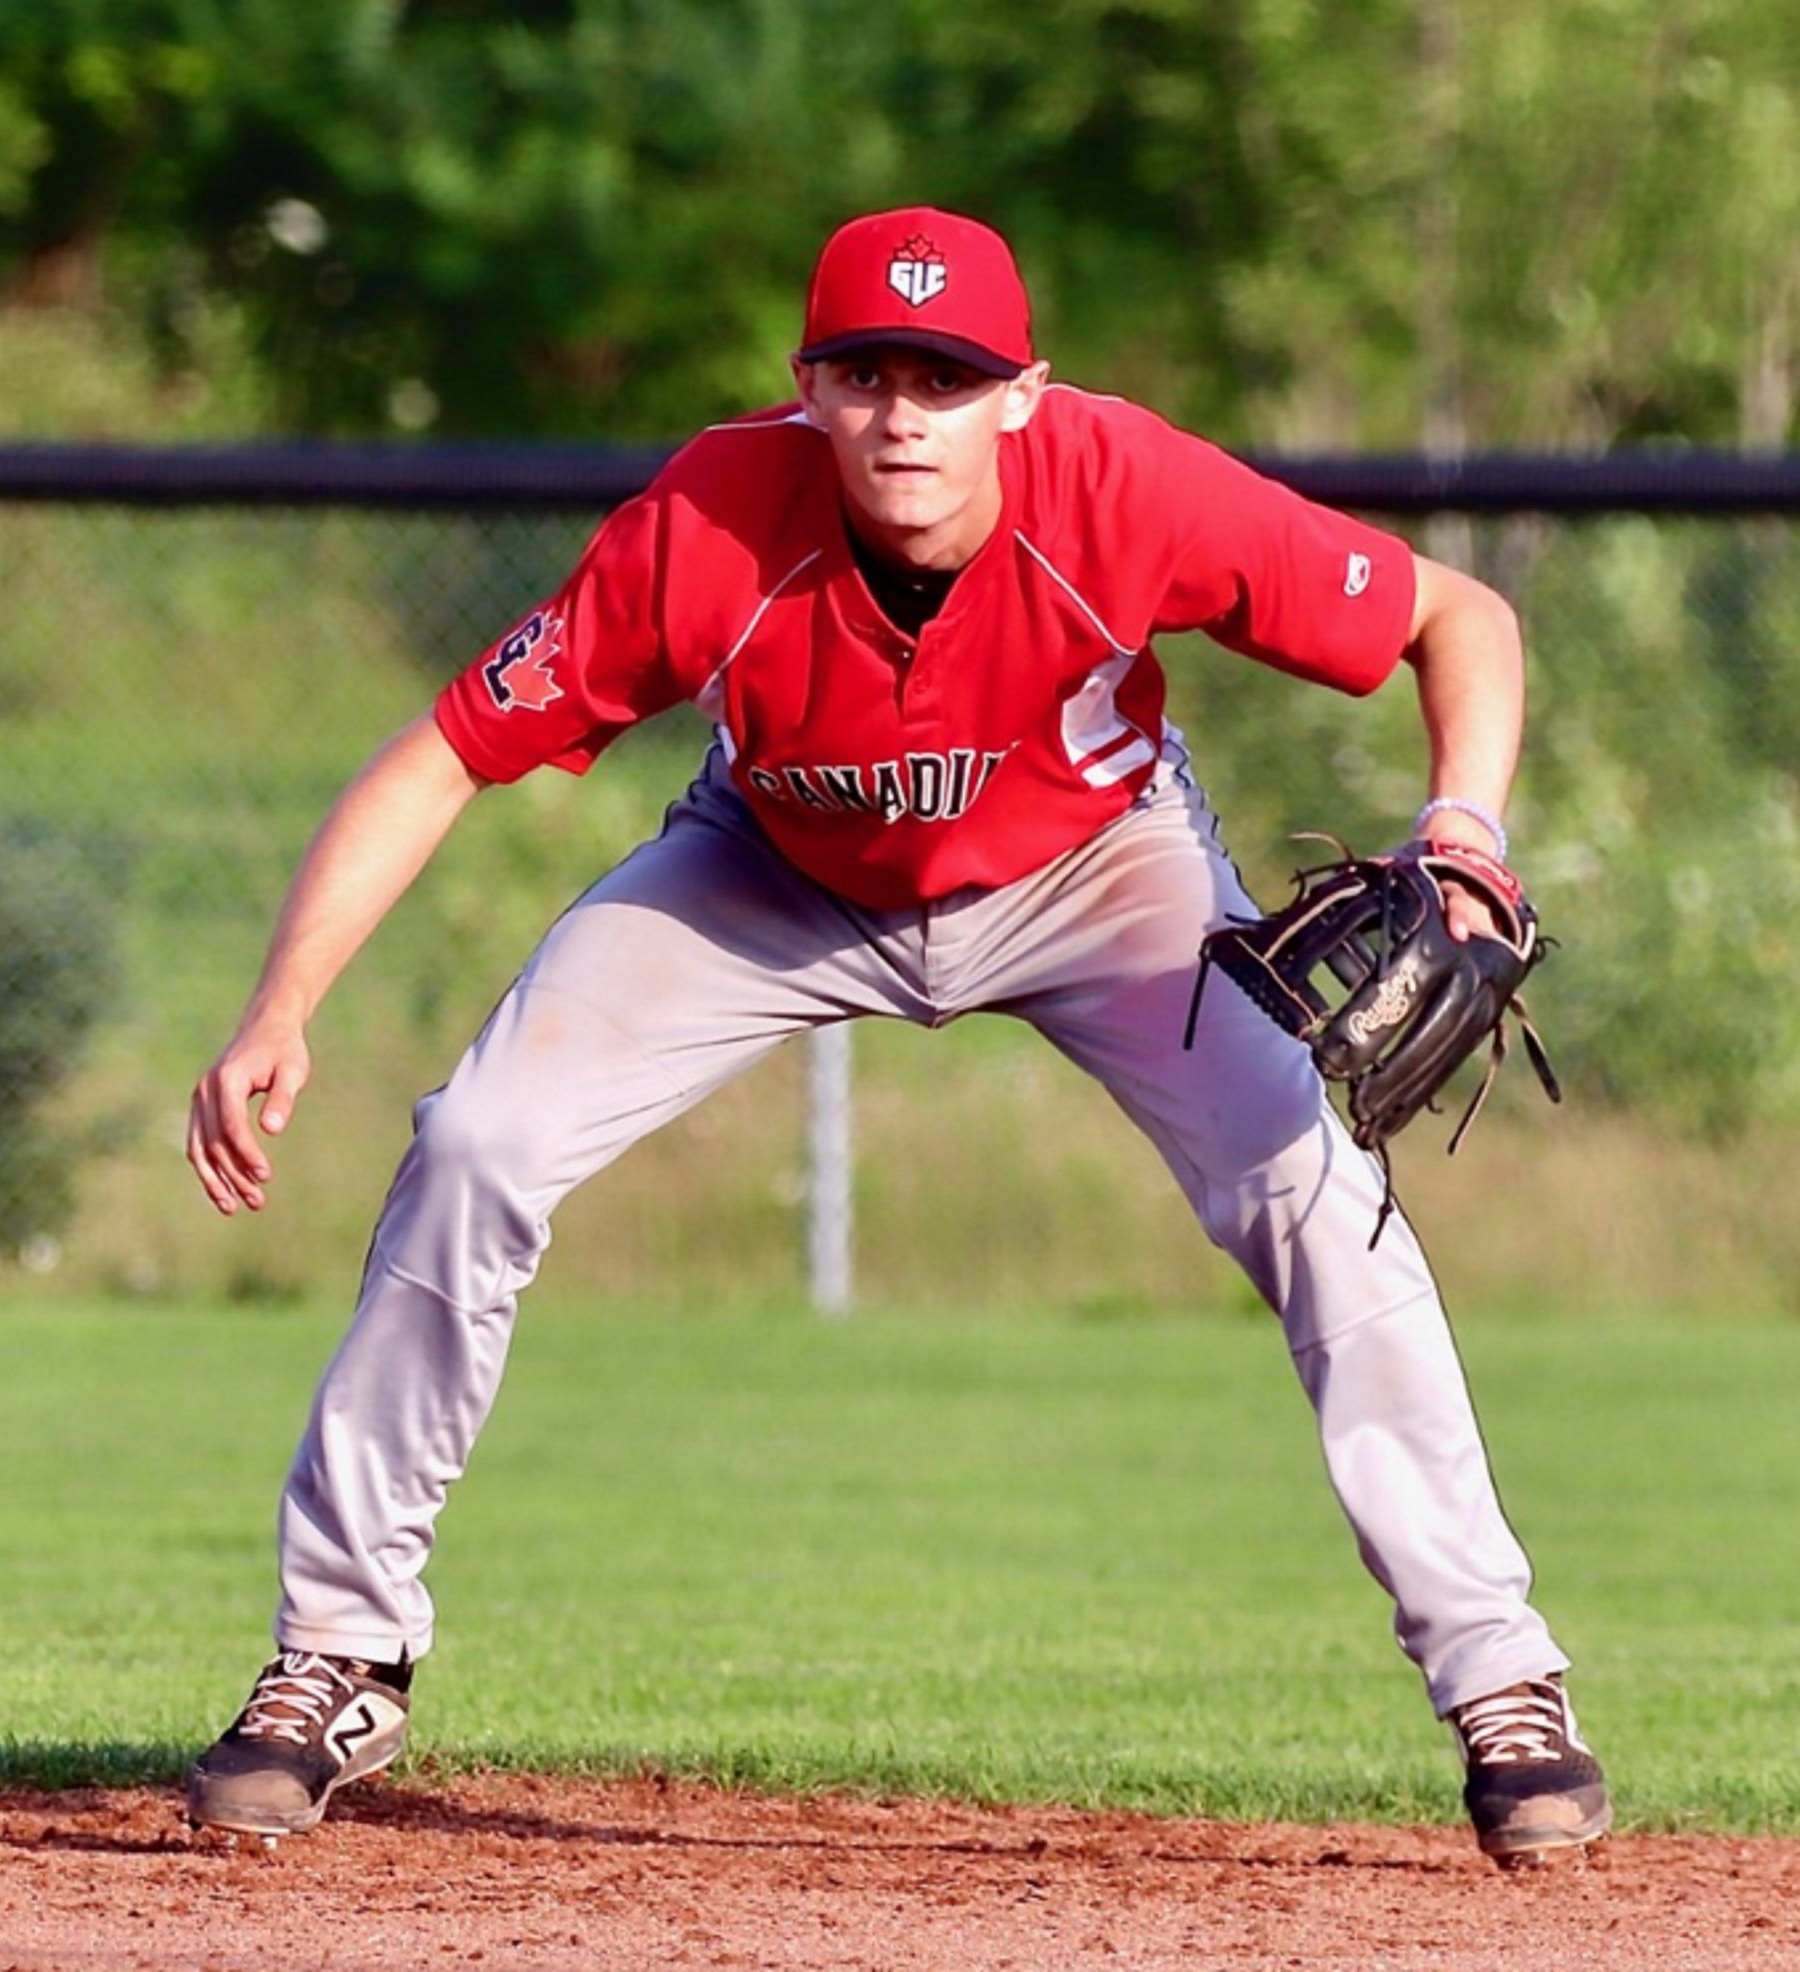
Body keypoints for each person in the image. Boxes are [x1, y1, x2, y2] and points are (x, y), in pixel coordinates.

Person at [180, 207, 1609, 1866]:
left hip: (1096, 865)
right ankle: (338, 1654)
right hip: (770, 873)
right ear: (809, 389)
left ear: (1023, 394)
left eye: (951, 375)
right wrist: (283, 1003)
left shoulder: (1125, 486)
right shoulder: (706, 526)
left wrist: (1466, 834)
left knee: (1312, 1191)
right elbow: (445, 752)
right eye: (868, 373)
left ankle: (1503, 1679)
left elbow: (1464, 620)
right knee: (478, 1142)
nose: (906, 414)